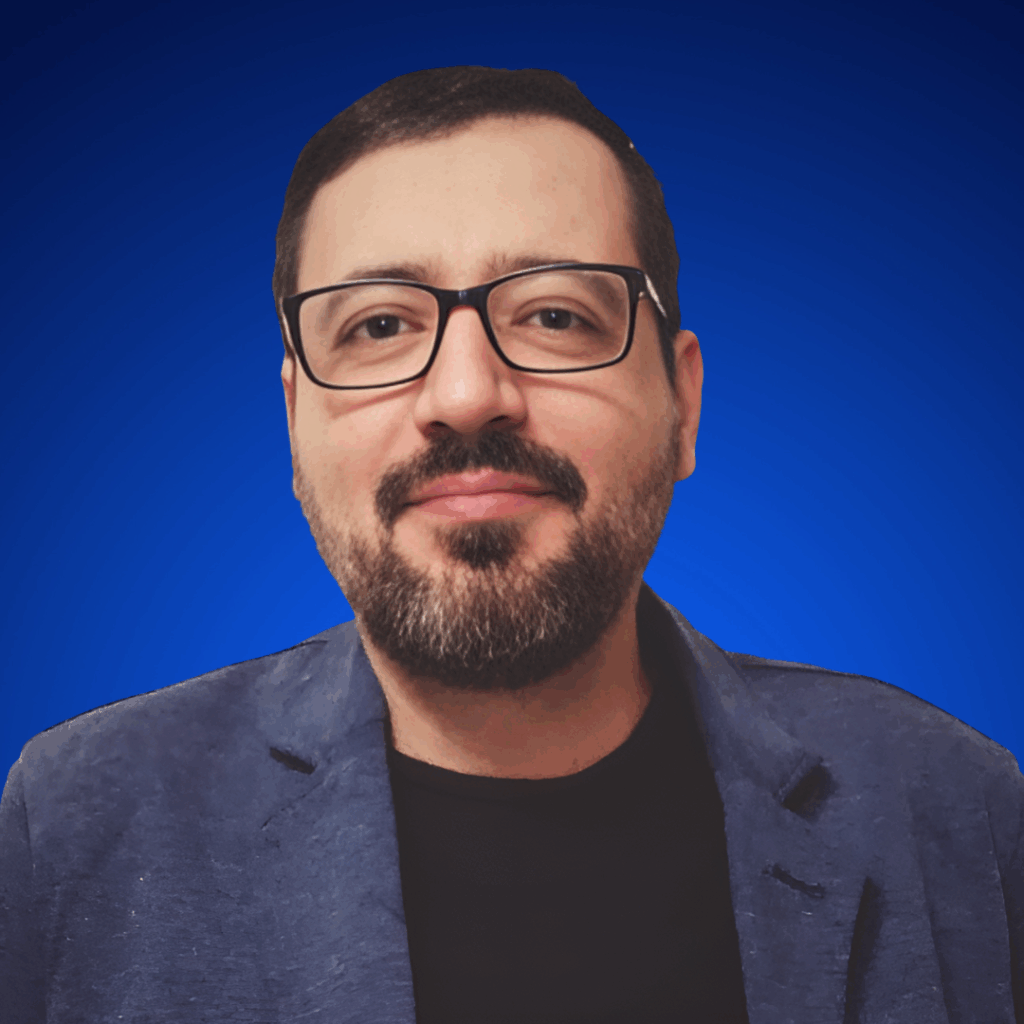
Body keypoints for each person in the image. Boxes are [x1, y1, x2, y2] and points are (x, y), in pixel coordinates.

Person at [1, 66, 1021, 1024]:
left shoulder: (951, 804)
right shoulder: (74, 826)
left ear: (683, 404)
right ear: (294, 419)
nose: (464, 393)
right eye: (379, 326)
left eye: (554, 314)